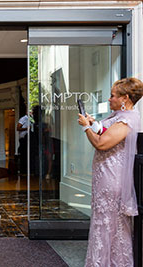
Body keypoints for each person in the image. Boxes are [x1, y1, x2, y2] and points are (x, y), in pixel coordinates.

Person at [78, 78, 143, 266]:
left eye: (113, 96)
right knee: (106, 222)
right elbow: (104, 131)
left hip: (112, 177)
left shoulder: (127, 119)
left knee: (107, 223)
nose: (109, 99)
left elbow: (102, 143)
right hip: (105, 175)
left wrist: (85, 127)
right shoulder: (119, 115)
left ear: (125, 98)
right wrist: (93, 124)